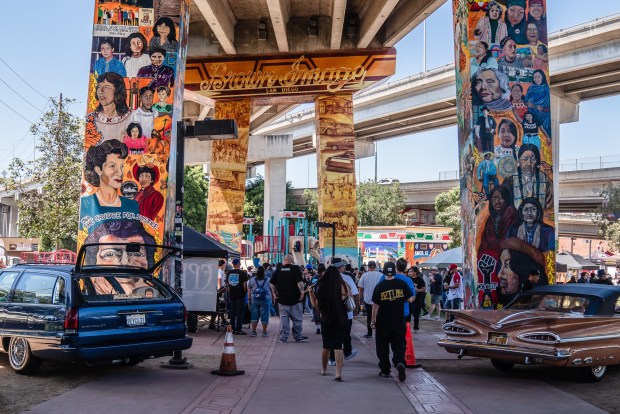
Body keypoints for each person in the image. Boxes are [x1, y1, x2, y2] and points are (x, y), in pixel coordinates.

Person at [80, 139, 139, 233]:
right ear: (98, 170)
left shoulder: (132, 205)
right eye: (112, 166)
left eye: (122, 166)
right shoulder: (86, 204)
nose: (120, 173)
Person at [371, 261, 413, 382]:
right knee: (399, 344)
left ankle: (385, 370)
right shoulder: (402, 284)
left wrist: (373, 321)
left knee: (382, 346)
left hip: (383, 322)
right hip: (398, 320)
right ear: (395, 271)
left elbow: (375, 305)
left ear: (383, 271)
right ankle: (399, 362)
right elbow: (410, 299)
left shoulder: (380, 286)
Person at [308, 265, 350, 382]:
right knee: (338, 346)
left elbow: (315, 305)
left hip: (326, 319)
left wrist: (311, 293)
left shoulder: (321, 286)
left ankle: (324, 369)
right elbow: (349, 298)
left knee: (326, 346)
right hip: (341, 319)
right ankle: (338, 373)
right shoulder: (344, 286)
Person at [270, 254, 308, 343]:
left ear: (284, 260)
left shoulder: (278, 270)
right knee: (297, 319)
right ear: (292, 260)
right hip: (295, 299)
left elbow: (271, 283)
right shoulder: (296, 268)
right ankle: (298, 337)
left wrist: (274, 292)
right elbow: (300, 282)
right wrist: (302, 292)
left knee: (284, 319)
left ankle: (284, 337)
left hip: (282, 299)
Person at [503, 144, 552, 211]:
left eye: (533, 159)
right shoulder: (510, 181)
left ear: (537, 161)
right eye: (525, 159)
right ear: (518, 161)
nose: (529, 163)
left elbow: (550, 206)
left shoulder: (545, 180)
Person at [328, 258, 359, 365]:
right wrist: (356, 307)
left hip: (331, 313)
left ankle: (332, 359)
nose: (344, 268)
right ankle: (347, 352)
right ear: (339, 267)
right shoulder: (347, 278)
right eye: (342, 266)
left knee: (333, 335)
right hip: (346, 313)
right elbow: (355, 294)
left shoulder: (326, 279)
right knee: (345, 334)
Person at [87, 72, 133, 144]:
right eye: (99, 87)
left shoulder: (133, 117)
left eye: (106, 87)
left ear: (117, 90)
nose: (101, 91)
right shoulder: (90, 119)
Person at [357, 260, 383, 338]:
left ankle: (369, 333)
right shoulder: (381, 275)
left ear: (368, 267)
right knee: (378, 316)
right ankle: (379, 333)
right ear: (375, 267)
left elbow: (361, 288)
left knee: (369, 316)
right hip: (379, 300)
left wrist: (360, 298)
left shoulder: (364, 275)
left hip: (368, 299)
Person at [524, 69, 551, 137]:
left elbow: (552, 107)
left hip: (545, 118)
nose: (536, 79)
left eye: (538, 77)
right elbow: (525, 101)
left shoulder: (546, 88)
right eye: (535, 77)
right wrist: (528, 104)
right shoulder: (531, 87)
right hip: (532, 117)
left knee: (547, 135)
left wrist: (543, 109)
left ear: (542, 77)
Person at [247, 266, 271, 337]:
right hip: (265, 299)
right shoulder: (268, 280)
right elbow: (272, 290)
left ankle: (254, 332)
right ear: (264, 272)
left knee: (254, 315)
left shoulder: (252, 279)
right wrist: (273, 299)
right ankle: (264, 332)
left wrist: (249, 300)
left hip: (254, 299)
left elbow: (249, 290)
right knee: (265, 315)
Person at [226, 258, 248, 335]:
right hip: (240, 295)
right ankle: (238, 329)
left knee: (232, 313)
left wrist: (230, 292)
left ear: (233, 264)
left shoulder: (229, 273)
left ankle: (232, 329)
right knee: (239, 313)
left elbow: (228, 285)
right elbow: (245, 285)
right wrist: (245, 292)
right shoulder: (242, 273)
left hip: (232, 295)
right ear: (238, 264)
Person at [409, 266, 426, 334]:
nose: (409, 272)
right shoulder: (408, 279)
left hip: (417, 299)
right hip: (409, 299)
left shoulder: (420, 280)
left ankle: (416, 328)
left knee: (416, 314)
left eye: (411, 271)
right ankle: (408, 328)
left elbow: (424, 289)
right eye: (409, 271)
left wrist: (417, 290)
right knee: (408, 314)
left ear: (415, 272)